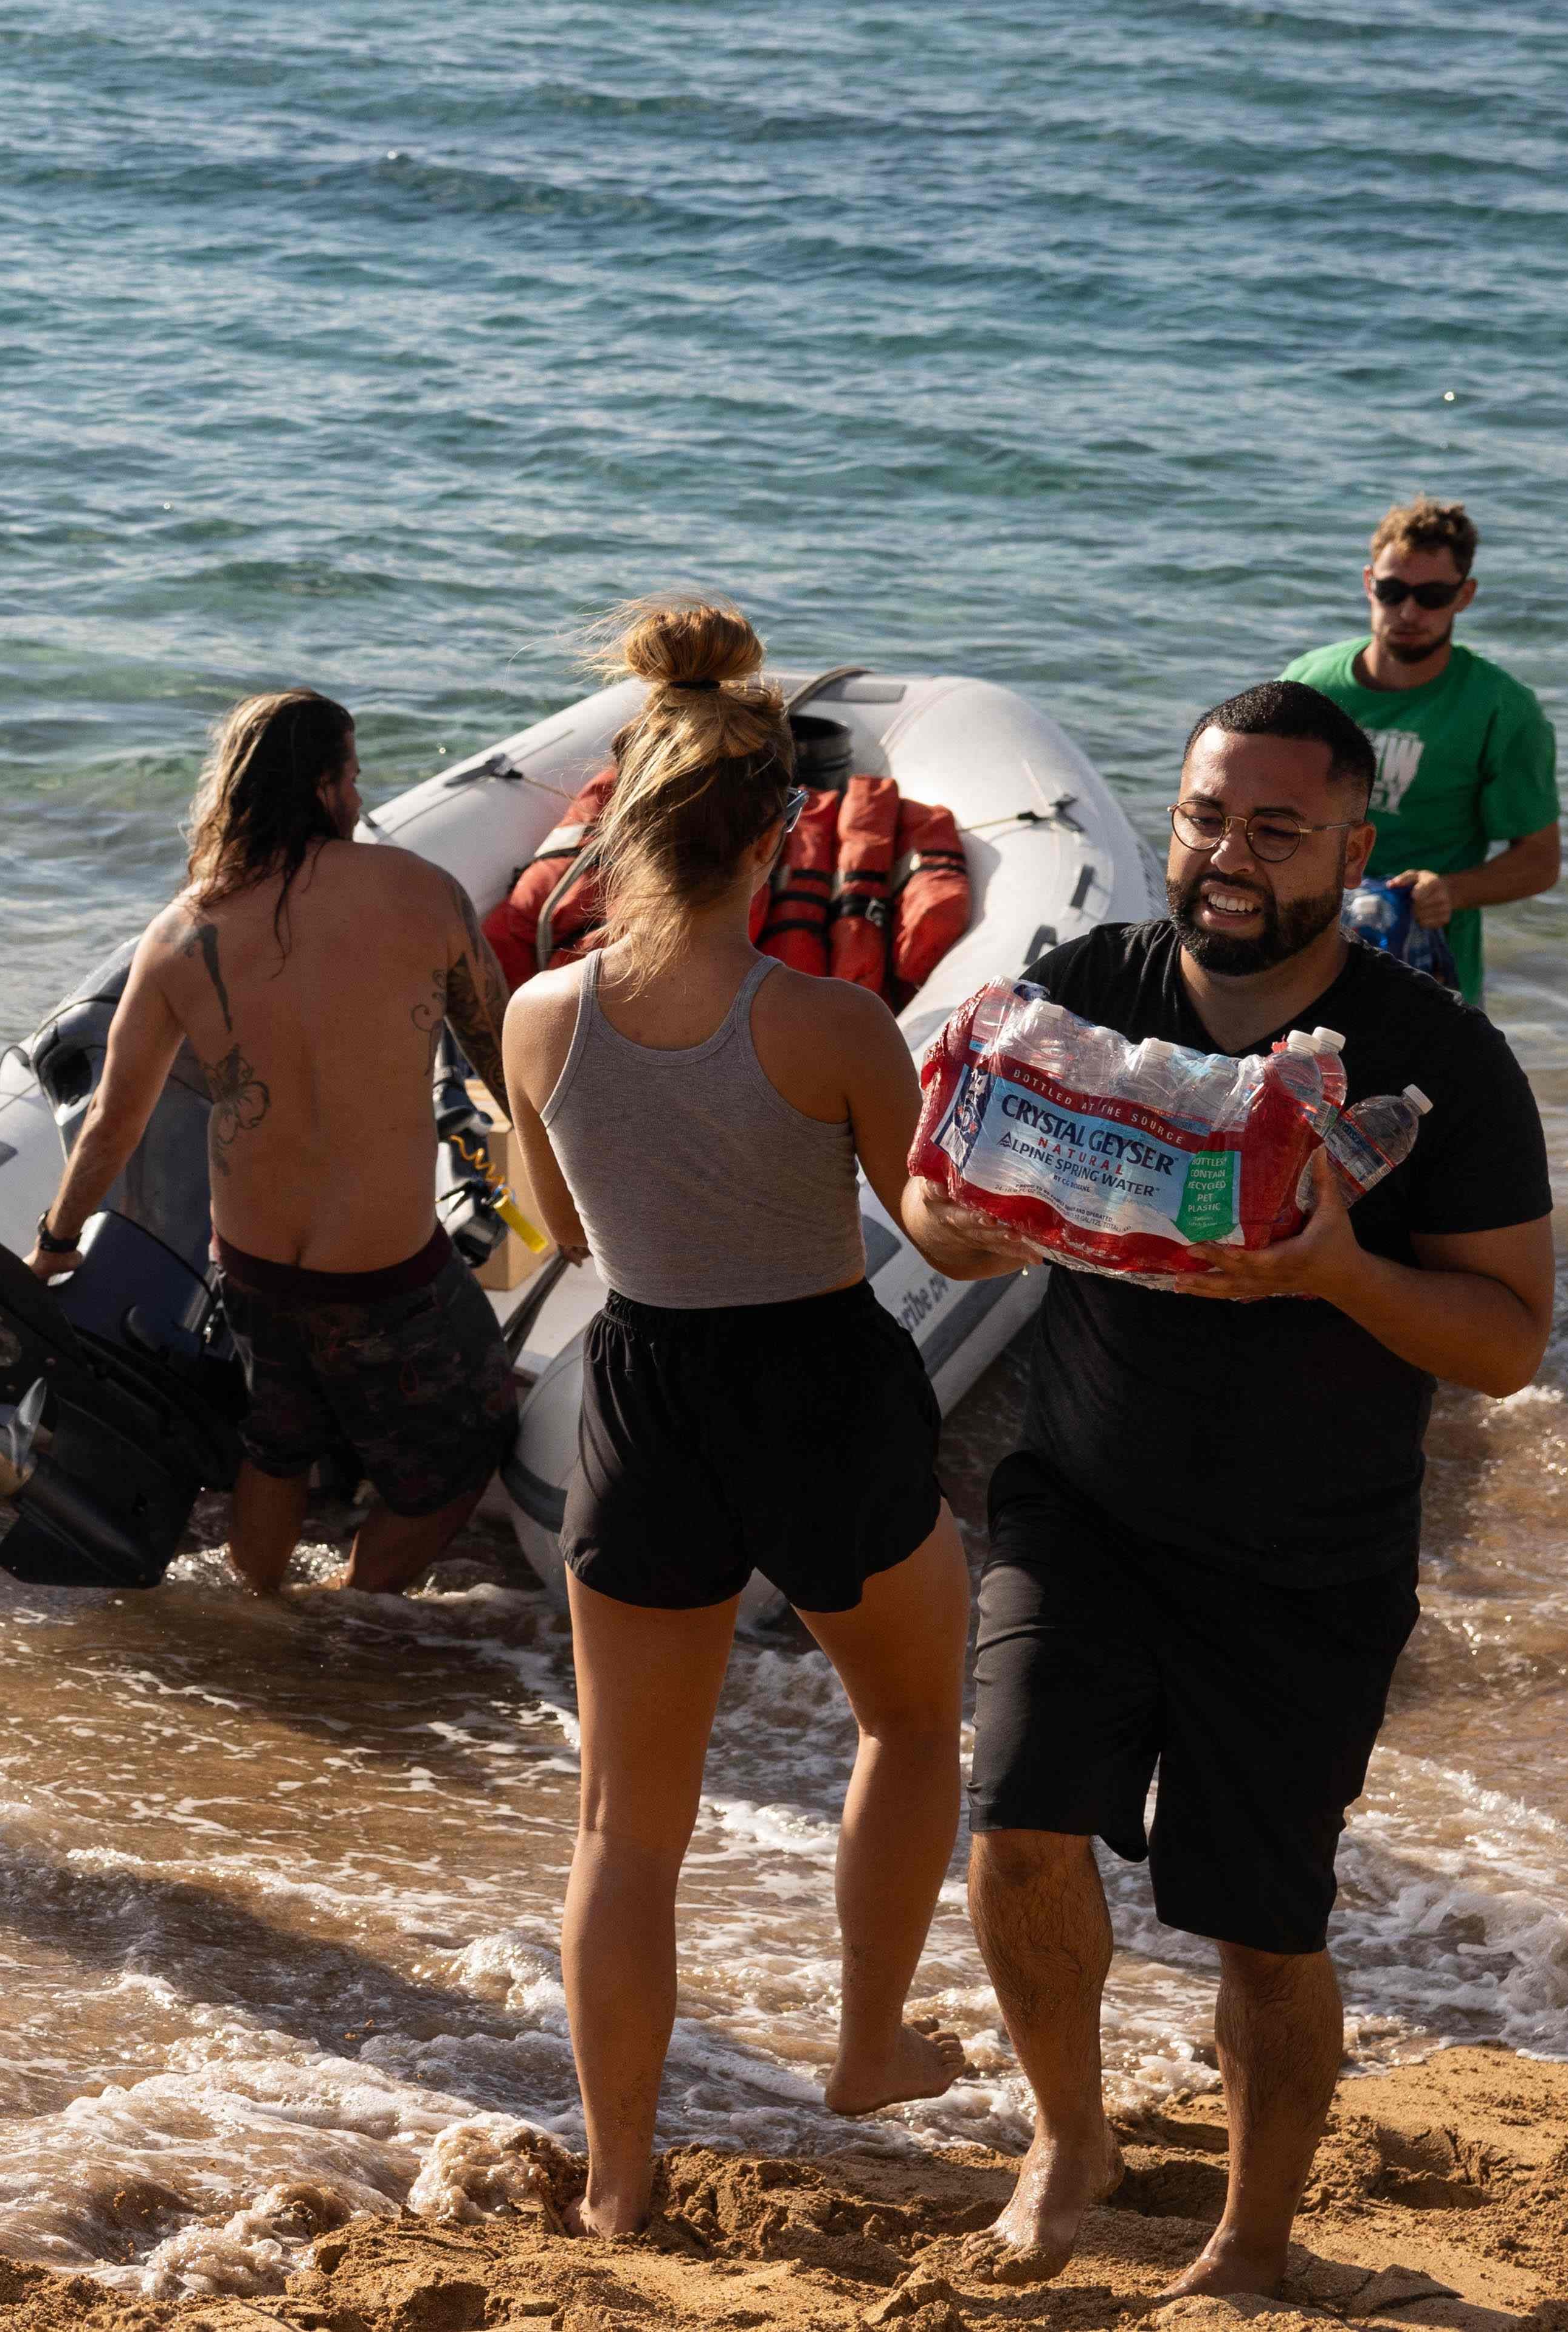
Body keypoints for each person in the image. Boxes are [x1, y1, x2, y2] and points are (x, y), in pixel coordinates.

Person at [913, 681, 1552, 2302]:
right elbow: (933, 1192)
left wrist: (1329, 1273)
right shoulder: (1085, 990)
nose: (1223, 856)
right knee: (1013, 1826)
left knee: (1262, 1924)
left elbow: (1501, 1341)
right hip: (1077, 1494)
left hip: (1302, 1554)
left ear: (1352, 845)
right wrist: (956, 1227)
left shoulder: (1435, 1066)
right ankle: (1068, 2136)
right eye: (1203, 815)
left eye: (1275, 829)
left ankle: (1250, 2239)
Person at [492, 602, 1020, 2240]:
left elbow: (549, 1231)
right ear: (783, 831)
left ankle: (613, 2181)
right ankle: (863, 2047)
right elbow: (925, 1230)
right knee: (900, 1723)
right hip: (818, 1386)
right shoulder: (829, 1022)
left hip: (643, 1396)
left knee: (620, 1826)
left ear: (623, 817)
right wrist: (1010, 1221)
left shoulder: (540, 1018)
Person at [31, 689, 515, 1598]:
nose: (359, 792)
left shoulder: (182, 929)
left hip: (251, 1263)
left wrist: (54, 1244)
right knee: (463, 1441)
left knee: (277, 1438)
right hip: (386, 1275)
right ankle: (352, 1608)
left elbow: (112, 1122)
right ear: (329, 785)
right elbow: (501, 1058)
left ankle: (257, 1607)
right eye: (354, 775)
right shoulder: (418, 891)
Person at [1281, 496, 1561, 1006]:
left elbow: (1539, 860)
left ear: (1465, 595)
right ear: (1369, 583)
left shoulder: (1502, 710)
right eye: (1392, 591)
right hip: (1301, 945)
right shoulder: (1307, 685)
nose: (1409, 612)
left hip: (1426, 969)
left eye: (1432, 595)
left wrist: (1450, 891)